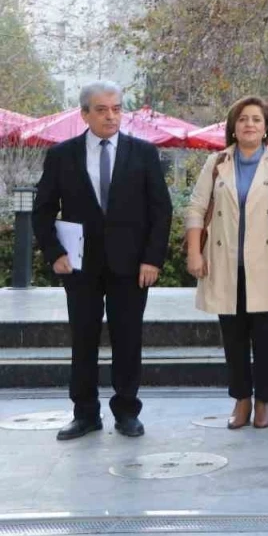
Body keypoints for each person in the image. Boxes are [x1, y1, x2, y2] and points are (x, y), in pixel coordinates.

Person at [33, 81, 173, 440]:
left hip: (131, 266)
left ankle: (127, 411)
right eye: (101, 109)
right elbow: (43, 209)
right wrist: (55, 254)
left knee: (128, 339)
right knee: (83, 340)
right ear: (84, 114)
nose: (111, 116)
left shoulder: (143, 153)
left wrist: (152, 259)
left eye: (116, 108)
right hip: (80, 266)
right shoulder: (62, 155)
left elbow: (161, 210)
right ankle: (85, 414)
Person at [185, 96, 268, 430]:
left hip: (267, 264)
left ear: (266, 128)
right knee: (233, 338)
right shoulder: (217, 162)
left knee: (266, 338)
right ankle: (241, 400)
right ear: (233, 126)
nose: (249, 124)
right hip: (225, 262)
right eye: (243, 119)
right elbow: (195, 207)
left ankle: (264, 402)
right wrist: (194, 252)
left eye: (256, 120)